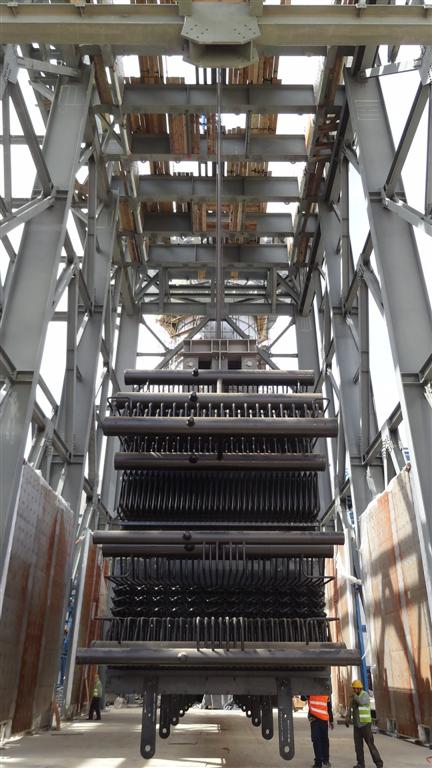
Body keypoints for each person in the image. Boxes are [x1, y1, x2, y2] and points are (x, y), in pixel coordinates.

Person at [345, 679, 383, 768]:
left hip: (365, 725)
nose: (354, 690)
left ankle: (379, 763)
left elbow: (361, 702)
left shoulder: (365, 695)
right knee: (358, 746)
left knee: (370, 744)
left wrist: (354, 696)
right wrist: (348, 718)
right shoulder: (354, 698)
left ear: (359, 688)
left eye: (355, 688)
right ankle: (360, 764)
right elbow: (350, 708)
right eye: (353, 688)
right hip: (357, 725)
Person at [301, 694, 334, 768]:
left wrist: (331, 720)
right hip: (317, 719)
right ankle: (322, 761)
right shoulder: (314, 691)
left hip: (320, 720)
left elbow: (329, 707)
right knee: (321, 741)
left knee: (320, 741)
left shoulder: (320, 692)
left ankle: (322, 762)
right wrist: (331, 720)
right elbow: (302, 698)